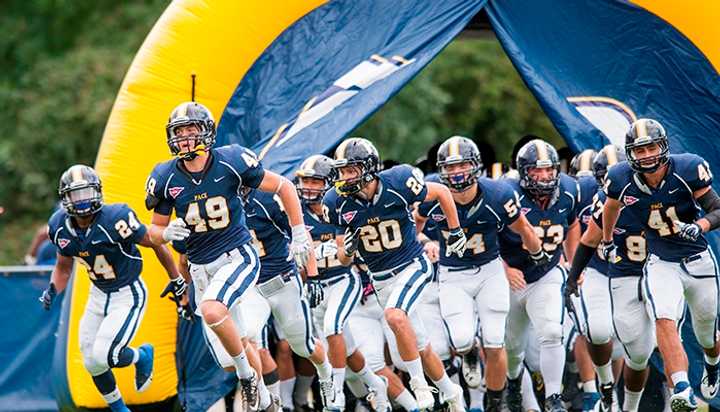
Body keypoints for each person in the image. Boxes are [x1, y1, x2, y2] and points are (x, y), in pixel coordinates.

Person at [144, 101, 314, 410]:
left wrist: (299, 231)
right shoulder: (166, 176)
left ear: (206, 132)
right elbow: (152, 232)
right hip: (200, 268)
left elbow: (285, 187)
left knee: (212, 309)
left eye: (191, 131)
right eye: (178, 132)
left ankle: (249, 377)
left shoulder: (232, 161)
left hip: (237, 256)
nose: (184, 138)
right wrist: (166, 234)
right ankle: (266, 401)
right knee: (232, 350)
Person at [322, 137, 466, 411]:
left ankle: (419, 385)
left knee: (394, 316)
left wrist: (455, 229)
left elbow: (442, 193)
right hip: (380, 278)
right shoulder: (336, 202)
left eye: (351, 170)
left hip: (412, 265)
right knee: (420, 345)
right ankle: (452, 393)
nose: (345, 177)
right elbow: (343, 257)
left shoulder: (399, 182)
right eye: (341, 171)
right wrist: (349, 250)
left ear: (368, 168)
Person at [413, 136, 548, 412]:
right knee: (461, 340)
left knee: (496, 342)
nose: (456, 173)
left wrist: (538, 252)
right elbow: (412, 229)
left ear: (475, 166)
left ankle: (495, 404)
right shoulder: (432, 195)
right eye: (449, 168)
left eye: (461, 165)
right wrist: (425, 243)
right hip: (452, 274)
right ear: (440, 170)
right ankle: (470, 352)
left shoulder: (498, 194)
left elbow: (523, 228)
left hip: (490, 271)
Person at [39, 164, 183, 412]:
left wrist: (169, 249)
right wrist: (52, 289)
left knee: (106, 354)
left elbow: (150, 240)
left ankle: (141, 356)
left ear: (97, 192)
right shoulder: (59, 226)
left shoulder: (115, 217)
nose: (83, 202)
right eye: (76, 195)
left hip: (128, 293)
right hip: (97, 294)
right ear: (66, 199)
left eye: (86, 193)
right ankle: (119, 409)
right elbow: (63, 267)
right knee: (91, 361)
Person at [601, 119, 720, 412]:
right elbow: (610, 208)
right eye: (639, 151)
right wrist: (606, 240)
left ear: (663, 146)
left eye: (651, 147)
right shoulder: (620, 178)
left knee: (707, 333)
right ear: (630, 154)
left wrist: (700, 226)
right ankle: (681, 387)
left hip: (697, 258)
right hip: (660, 260)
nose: (646, 156)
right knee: (664, 318)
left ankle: (712, 364)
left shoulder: (688, 169)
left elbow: (717, 209)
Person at [295, 154, 390, 410]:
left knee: (332, 327)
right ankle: (376, 384)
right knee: (346, 349)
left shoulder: (342, 206)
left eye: (316, 182)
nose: (309, 188)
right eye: (305, 181)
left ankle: (334, 391)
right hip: (315, 288)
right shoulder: (296, 215)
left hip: (342, 280)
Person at [567, 144, 653, 412]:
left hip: (639, 273)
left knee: (641, 352)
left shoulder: (653, 194)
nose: (615, 183)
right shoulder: (591, 197)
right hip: (599, 269)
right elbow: (580, 234)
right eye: (606, 177)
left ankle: (631, 405)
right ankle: (605, 386)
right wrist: (573, 272)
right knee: (596, 329)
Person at [499, 139, 581, 412]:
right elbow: (485, 235)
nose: (544, 176)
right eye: (536, 170)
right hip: (510, 276)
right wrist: (504, 269)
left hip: (546, 272)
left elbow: (572, 224)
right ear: (523, 171)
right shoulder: (505, 192)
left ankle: (553, 397)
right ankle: (513, 381)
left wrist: (572, 261)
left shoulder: (569, 188)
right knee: (513, 346)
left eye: (548, 169)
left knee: (551, 331)